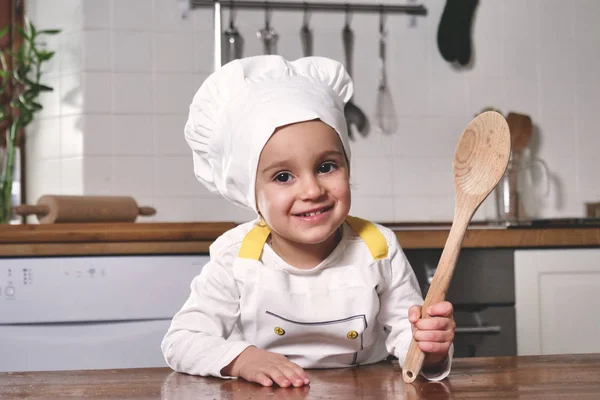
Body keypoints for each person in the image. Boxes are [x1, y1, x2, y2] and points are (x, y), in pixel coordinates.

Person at [161, 55, 455, 387]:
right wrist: (242, 359)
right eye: (283, 176)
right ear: (250, 191)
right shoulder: (236, 257)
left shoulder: (377, 246)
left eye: (326, 166)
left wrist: (429, 348)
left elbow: (406, 333)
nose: (312, 190)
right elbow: (182, 340)